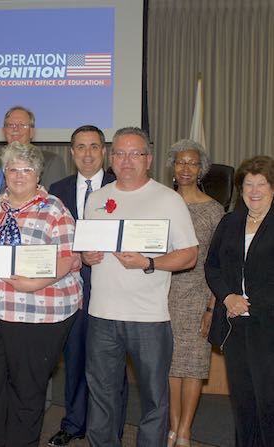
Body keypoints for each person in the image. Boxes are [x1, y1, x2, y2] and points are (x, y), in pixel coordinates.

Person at [82, 127, 198, 447]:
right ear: (111, 158)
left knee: (154, 401)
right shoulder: (97, 198)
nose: (126, 160)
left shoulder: (168, 199)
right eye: (120, 153)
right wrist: (87, 256)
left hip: (149, 318)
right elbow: (89, 250)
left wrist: (149, 263)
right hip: (101, 315)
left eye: (135, 153)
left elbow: (189, 255)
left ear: (148, 159)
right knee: (102, 397)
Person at [0, 141, 83, 447]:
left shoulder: (54, 208)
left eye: (27, 169)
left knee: (26, 393)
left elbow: (71, 258)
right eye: (13, 169)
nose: (19, 175)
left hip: (35, 314)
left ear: (38, 174)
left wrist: (35, 283)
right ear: (4, 172)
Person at [48, 125, 128, 446]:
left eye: (94, 147)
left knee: (112, 362)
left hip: (113, 285)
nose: (88, 154)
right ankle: (73, 422)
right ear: (72, 153)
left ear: (104, 151)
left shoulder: (120, 186)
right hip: (72, 286)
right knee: (75, 355)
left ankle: (111, 429)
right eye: (80, 147)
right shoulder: (58, 188)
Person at [205, 155, 274, 447]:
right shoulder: (230, 221)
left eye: (262, 184)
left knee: (268, 402)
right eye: (248, 184)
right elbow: (212, 266)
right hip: (236, 325)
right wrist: (228, 297)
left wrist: (254, 302)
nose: (254, 190)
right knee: (243, 400)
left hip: (268, 326)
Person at [165, 140, 224, 447]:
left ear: (201, 169)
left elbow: (218, 263)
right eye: (179, 163)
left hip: (199, 295)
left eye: (192, 163)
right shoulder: (162, 203)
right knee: (171, 365)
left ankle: (186, 430)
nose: (185, 169)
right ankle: (172, 426)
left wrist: (212, 307)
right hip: (161, 294)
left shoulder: (214, 210)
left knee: (193, 366)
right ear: (172, 168)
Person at [0, 106, 66, 191]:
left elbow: (54, 196)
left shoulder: (51, 161)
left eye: (22, 125)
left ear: (32, 132)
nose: (15, 129)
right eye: (10, 125)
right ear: (3, 131)